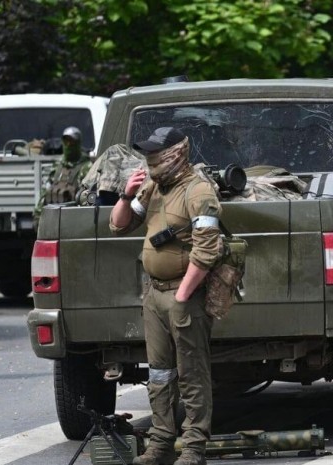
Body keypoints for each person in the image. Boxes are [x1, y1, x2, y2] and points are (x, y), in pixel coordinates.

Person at [110, 127, 222, 465]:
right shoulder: (153, 187)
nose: (151, 159)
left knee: (191, 373)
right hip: (155, 294)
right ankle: (160, 443)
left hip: (183, 296)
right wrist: (126, 195)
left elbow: (207, 250)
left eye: (156, 152)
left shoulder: (198, 191)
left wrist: (183, 296)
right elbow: (119, 225)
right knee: (159, 373)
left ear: (176, 153)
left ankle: (194, 448)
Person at [33, 126, 92, 227]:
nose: (68, 145)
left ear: (78, 143)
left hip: (75, 221)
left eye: (71, 142)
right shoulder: (57, 166)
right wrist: (38, 214)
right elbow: (45, 191)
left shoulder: (86, 167)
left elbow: (88, 199)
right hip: (54, 221)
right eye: (66, 141)